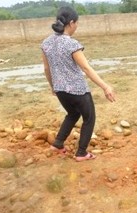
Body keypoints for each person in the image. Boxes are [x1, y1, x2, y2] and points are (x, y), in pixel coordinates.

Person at [41, 6, 115, 162]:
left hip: (60, 89)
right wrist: (105, 87)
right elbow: (86, 68)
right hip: (78, 90)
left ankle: (58, 143)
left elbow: (47, 69)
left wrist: (53, 86)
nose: (77, 26)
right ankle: (81, 153)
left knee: (73, 114)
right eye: (77, 23)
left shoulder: (46, 43)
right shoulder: (71, 44)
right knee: (89, 118)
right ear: (72, 23)